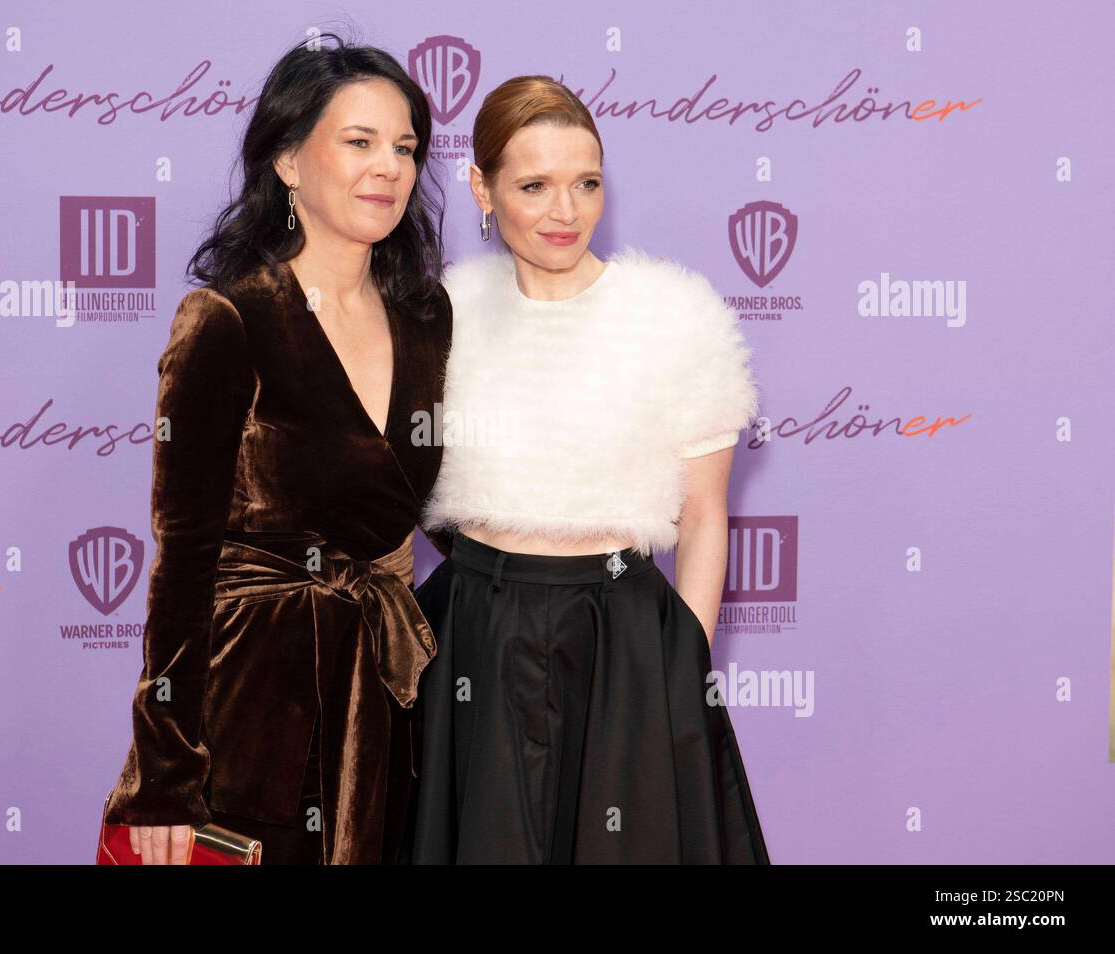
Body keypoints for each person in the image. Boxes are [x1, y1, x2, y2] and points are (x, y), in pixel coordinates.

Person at [101, 33, 453, 865]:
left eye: (404, 147)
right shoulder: (229, 319)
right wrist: (164, 776)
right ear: (289, 160)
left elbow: (437, 507)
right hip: (248, 710)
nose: (390, 167)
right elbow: (182, 563)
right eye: (360, 142)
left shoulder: (428, 316)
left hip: (383, 709)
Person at [409, 75, 771, 863]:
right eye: (534, 186)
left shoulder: (673, 314)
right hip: (470, 630)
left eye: (586, 184)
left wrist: (684, 659)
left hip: (624, 636)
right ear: (482, 186)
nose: (565, 212)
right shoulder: (441, 314)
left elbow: (706, 514)